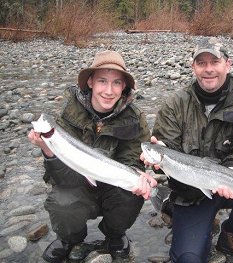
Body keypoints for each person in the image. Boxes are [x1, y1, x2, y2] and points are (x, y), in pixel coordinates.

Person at [141, 38, 233, 263]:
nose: (209, 69)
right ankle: (174, 209)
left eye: (215, 61)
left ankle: (232, 235)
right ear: (193, 67)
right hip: (190, 193)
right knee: (188, 258)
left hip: (228, 182)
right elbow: (168, 147)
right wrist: (161, 150)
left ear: (228, 64)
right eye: (201, 63)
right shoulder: (175, 104)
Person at [28, 50, 157, 263]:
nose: (109, 90)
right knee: (62, 200)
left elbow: (132, 160)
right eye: (102, 81)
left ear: (124, 86)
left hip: (112, 186)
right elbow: (59, 179)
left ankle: (114, 234)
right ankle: (71, 239)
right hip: (76, 184)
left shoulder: (135, 119)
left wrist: (140, 176)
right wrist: (48, 149)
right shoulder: (68, 114)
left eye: (116, 83)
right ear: (90, 82)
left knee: (132, 192)